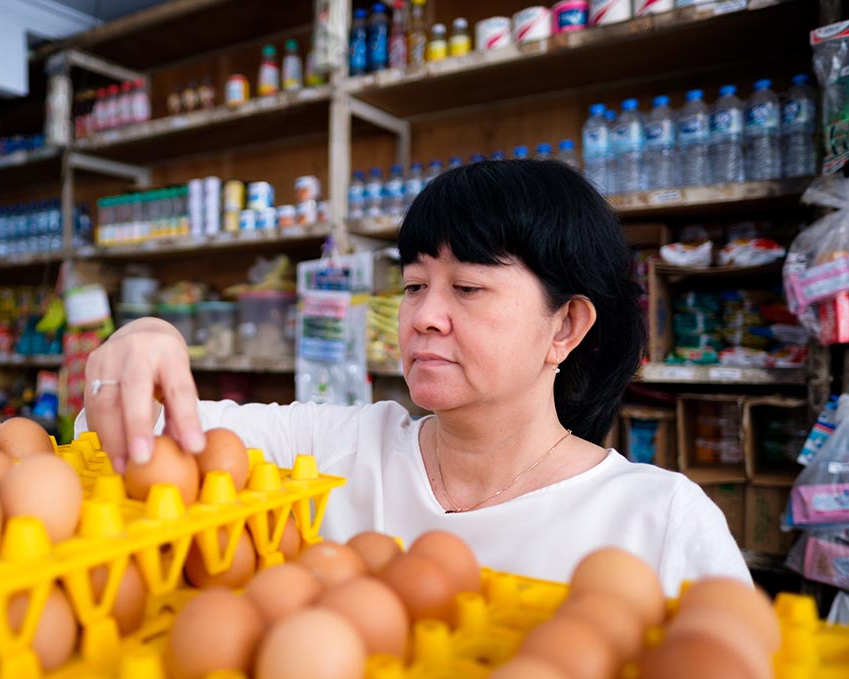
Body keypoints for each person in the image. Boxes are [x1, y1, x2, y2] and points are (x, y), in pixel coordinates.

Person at [77, 160, 749, 594]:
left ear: (566, 327)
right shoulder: (334, 451)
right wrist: (144, 339)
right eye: (413, 285)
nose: (424, 316)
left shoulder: (660, 523)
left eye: (467, 288)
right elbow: (119, 436)